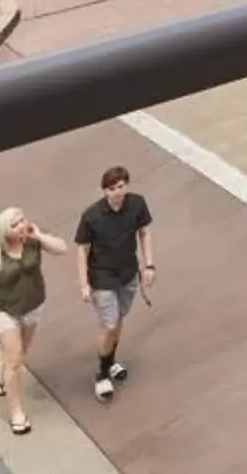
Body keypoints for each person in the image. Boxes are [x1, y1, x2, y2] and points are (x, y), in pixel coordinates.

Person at [0, 207, 71, 438]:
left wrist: (39, 236)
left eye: (22, 220)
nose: (21, 226)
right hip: (4, 311)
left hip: (33, 306)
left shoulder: (32, 242)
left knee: (20, 353)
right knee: (16, 362)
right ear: (3, 231)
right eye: (14, 224)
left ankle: (0, 372)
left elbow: (62, 249)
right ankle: (16, 412)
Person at [72, 165, 157, 400]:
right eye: (112, 189)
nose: (118, 192)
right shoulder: (92, 216)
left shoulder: (137, 204)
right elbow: (82, 250)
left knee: (119, 320)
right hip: (102, 277)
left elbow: (144, 233)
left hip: (128, 274)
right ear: (104, 191)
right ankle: (101, 374)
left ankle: (110, 361)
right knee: (109, 324)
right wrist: (83, 284)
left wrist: (149, 264)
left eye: (121, 187)